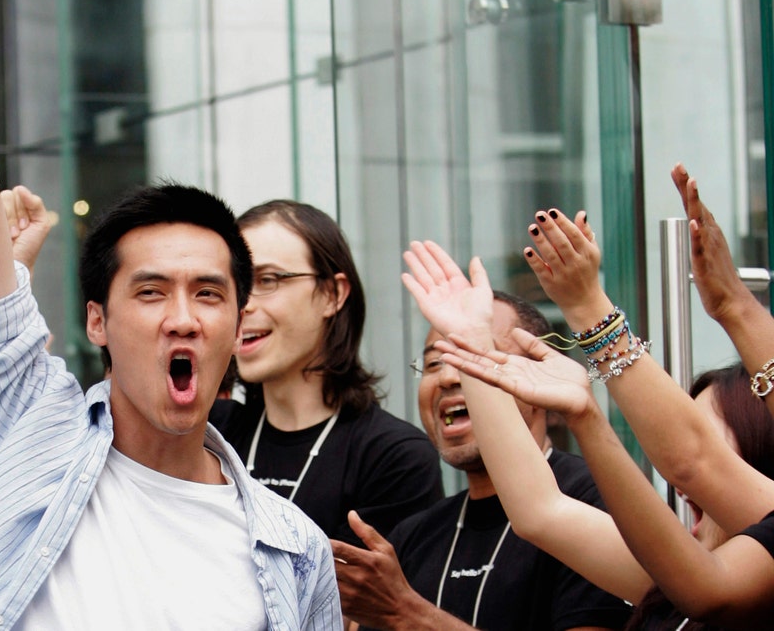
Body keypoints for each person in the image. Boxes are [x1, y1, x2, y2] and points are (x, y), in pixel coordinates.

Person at [0, 183, 340, 629]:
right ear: (97, 321)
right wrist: (3, 257)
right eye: (151, 292)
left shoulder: (296, 551)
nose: (182, 320)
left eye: (208, 294)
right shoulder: (30, 440)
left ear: (237, 328)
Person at [431, 188, 774, 626]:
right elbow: (540, 511)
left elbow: (692, 458)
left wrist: (734, 306)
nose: (676, 478)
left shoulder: (741, 582)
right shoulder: (669, 581)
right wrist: (474, 345)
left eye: (710, 433)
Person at [332, 279, 631, 630]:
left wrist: (409, 614)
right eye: (433, 363)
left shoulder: (596, 502)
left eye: (472, 355)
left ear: (541, 370)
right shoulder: (414, 535)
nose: (446, 377)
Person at [211, 199, 442, 542]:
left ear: (332, 294)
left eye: (268, 279)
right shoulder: (210, 432)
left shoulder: (393, 457)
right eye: (236, 285)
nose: (244, 306)